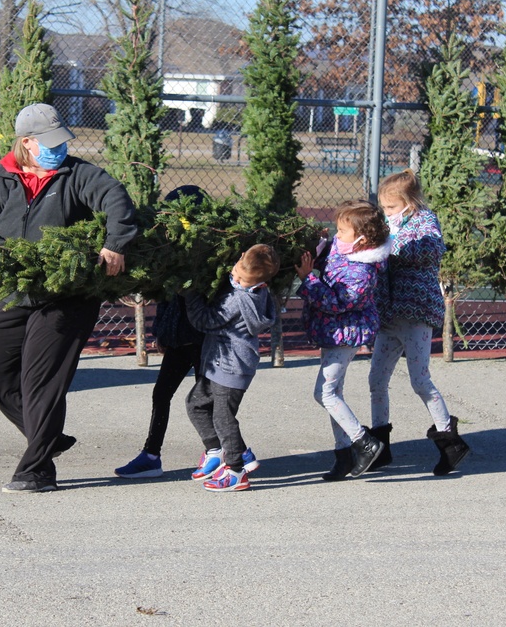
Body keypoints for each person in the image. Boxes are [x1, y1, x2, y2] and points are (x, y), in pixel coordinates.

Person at [0, 103, 137, 493]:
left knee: (40, 379)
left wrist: (115, 243)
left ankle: (37, 470)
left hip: (68, 295)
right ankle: (47, 436)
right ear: (26, 142)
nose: (58, 149)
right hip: (15, 290)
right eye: (49, 143)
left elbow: (115, 198)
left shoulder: (77, 175)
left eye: (61, 142)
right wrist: (10, 259)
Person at [368, 169, 470, 476]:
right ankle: (380, 446)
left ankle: (451, 444)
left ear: (409, 202)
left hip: (416, 313)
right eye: (383, 207)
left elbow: (430, 249)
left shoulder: (426, 222)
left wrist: (391, 248)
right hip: (390, 315)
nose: (386, 213)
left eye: (391, 207)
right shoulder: (386, 224)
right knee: (376, 379)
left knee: (419, 380)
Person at [114, 186, 207, 480]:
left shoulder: (206, 247)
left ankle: (227, 453)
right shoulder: (165, 250)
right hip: (179, 338)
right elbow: (166, 298)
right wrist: (163, 334)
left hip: (207, 340)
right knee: (161, 394)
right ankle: (151, 455)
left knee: (208, 400)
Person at [295, 200, 391, 481]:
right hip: (332, 332)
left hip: (345, 335)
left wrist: (307, 279)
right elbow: (329, 256)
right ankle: (343, 456)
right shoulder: (342, 247)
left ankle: (365, 442)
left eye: (342, 231)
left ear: (363, 240)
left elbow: (336, 303)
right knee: (332, 394)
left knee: (324, 393)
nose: (337, 236)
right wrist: (319, 248)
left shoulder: (363, 272)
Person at [181, 244, 279, 492]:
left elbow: (207, 321)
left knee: (223, 419)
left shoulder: (239, 299)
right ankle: (218, 451)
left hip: (231, 367)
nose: (234, 277)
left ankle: (236, 471)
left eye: (241, 278)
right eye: (235, 270)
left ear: (258, 282)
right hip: (218, 364)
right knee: (196, 403)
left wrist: (190, 293)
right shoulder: (252, 289)